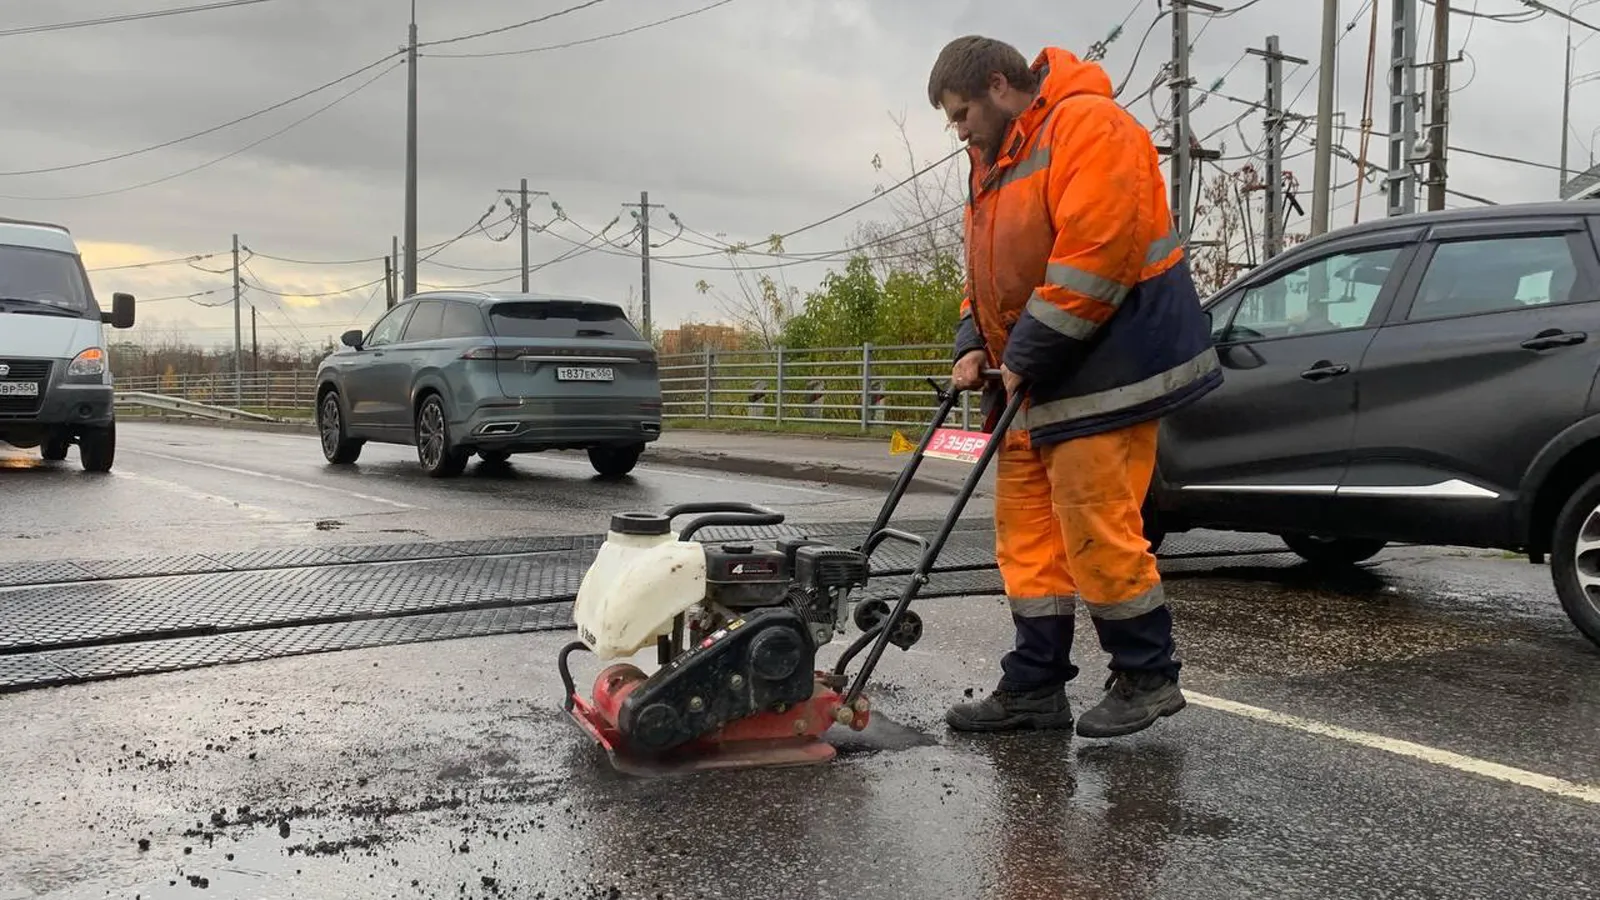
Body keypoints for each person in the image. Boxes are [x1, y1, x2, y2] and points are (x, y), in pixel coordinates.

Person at [928, 36, 1223, 738]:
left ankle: (1147, 674)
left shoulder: (1092, 127)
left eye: (962, 112)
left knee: (1097, 526)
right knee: (1026, 539)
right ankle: (1034, 686)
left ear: (1001, 85)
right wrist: (973, 344)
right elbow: (988, 277)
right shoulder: (989, 164)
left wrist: (1024, 351)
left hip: (1105, 371)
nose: (958, 128)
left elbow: (1096, 258)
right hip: (1033, 379)